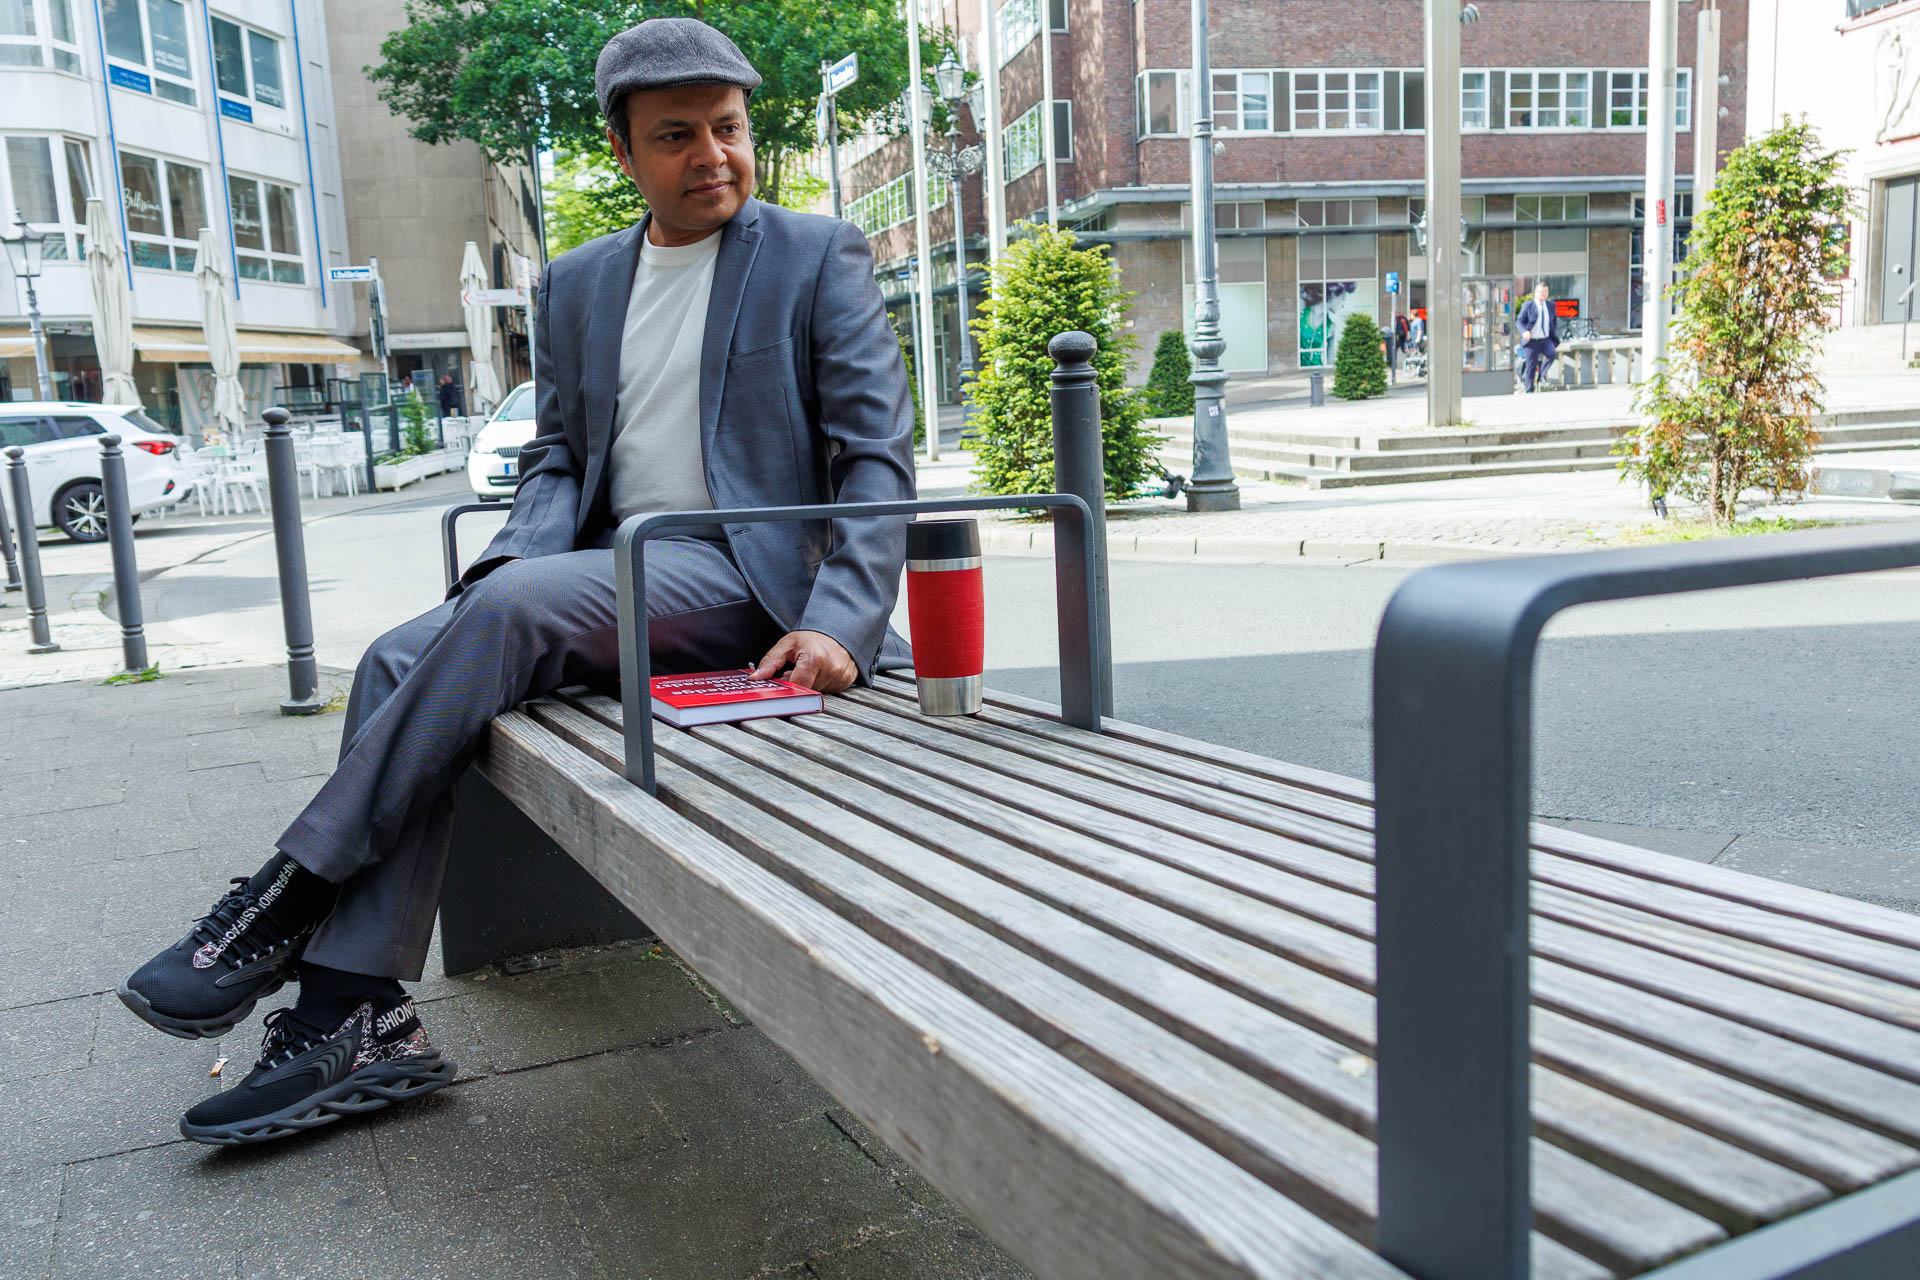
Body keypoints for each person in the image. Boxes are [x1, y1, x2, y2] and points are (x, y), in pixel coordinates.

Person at [116, 16, 916, 1145]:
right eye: (677, 135)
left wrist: (843, 619)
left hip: (751, 587)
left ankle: (285, 897)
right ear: (624, 150)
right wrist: (506, 571)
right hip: (612, 571)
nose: (713, 157)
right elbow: (557, 458)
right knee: (404, 649)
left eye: (729, 129)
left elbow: (878, 454)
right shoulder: (583, 281)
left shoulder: (813, 254)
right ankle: (357, 1010)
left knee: (497, 615)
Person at [1517, 281, 1560, 393]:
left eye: (1546, 292)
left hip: (1545, 339)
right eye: (1541, 292)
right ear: (1535, 293)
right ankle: (1529, 390)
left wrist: (1553, 333)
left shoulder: (1550, 305)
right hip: (1531, 341)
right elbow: (1519, 322)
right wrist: (1524, 331)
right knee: (1531, 365)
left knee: (1552, 354)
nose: (1544, 294)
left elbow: (1554, 321)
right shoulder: (1528, 305)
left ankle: (1541, 374)